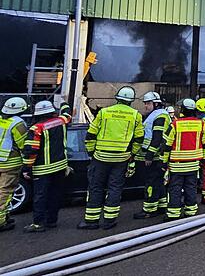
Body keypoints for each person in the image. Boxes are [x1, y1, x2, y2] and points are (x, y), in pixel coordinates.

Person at [78, 86, 144, 230]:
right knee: (115, 188)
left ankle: (91, 221)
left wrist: (91, 153)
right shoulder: (135, 115)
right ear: (131, 101)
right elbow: (139, 138)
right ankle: (110, 220)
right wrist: (132, 154)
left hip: (100, 157)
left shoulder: (104, 113)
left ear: (117, 98)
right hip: (121, 158)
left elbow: (91, 135)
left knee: (96, 187)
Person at [21, 101, 71, 232]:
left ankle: (38, 223)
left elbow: (32, 150)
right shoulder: (62, 121)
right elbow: (67, 113)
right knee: (55, 194)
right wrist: (64, 104)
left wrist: (27, 168)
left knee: (40, 196)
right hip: (60, 166)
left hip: (42, 169)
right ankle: (51, 221)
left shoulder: (36, 128)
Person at [164, 99, 205, 220]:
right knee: (191, 188)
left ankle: (173, 214)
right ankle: (190, 211)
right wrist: (203, 160)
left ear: (183, 109)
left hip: (177, 165)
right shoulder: (201, 124)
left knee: (175, 189)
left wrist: (164, 162)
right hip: (194, 164)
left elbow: (167, 145)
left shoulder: (175, 124)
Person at [133, 92, 171, 219]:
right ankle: (161, 206)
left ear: (156, 104)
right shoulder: (156, 115)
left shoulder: (160, 116)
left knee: (151, 183)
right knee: (158, 182)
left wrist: (149, 155)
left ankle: (148, 210)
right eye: (145, 103)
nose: (146, 106)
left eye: (148, 103)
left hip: (154, 156)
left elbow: (157, 138)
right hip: (155, 154)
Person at [0, 97, 29, 231]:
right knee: (6, 191)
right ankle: (1, 221)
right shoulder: (18, 124)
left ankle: (5, 217)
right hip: (10, 163)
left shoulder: (1, 120)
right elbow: (23, 144)